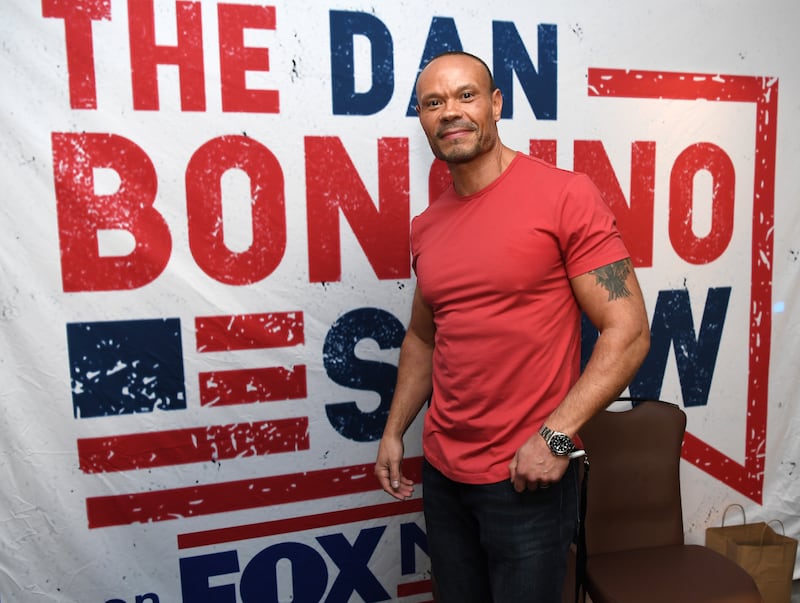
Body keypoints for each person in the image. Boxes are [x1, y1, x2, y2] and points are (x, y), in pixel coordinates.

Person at [374, 51, 650, 603]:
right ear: (422, 119)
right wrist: (394, 429)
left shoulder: (565, 196)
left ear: (496, 104)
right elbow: (424, 338)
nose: (450, 112)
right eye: (433, 102)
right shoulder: (426, 226)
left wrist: (556, 437)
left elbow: (629, 332)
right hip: (444, 477)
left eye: (466, 95)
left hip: (526, 477)